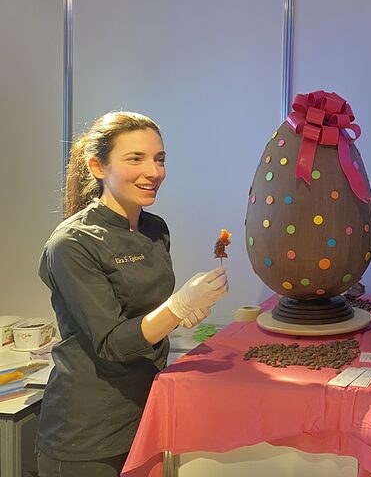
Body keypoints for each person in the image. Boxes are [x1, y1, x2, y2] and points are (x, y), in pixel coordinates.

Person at [37, 112, 229, 477]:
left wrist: (185, 312)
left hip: (147, 414)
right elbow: (112, 341)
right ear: (97, 166)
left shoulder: (155, 229)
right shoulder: (73, 243)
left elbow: (147, 315)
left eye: (159, 159)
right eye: (135, 159)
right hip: (88, 434)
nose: (153, 171)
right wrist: (178, 306)